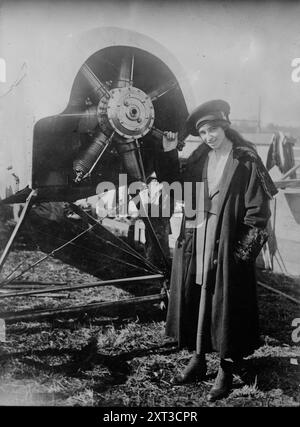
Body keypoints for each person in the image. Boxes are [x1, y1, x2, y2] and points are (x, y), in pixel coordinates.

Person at [162, 100, 277, 401]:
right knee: (198, 297)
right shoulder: (200, 157)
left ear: (224, 127)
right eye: (203, 132)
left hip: (228, 242)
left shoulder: (246, 160)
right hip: (198, 237)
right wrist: (169, 154)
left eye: (213, 129)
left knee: (226, 303)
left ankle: (225, 369)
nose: (209, 136)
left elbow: (258, 215)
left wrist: (240, 255)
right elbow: (176, 187)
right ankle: (198, 359)